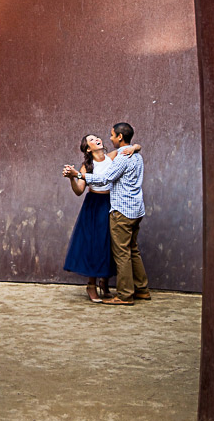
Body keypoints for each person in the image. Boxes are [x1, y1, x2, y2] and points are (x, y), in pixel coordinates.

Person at [63, 122, 150, 306]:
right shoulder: (87, 165)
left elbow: (106, 177)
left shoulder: (115, 155)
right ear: (88, 148)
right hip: (96, 205)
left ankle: (108, 284)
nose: (99, 139)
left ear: (119, 137)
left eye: (98, 137)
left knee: (114, 247)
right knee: (99, 245)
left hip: (114, 203)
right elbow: (79, 190)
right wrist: (74, 176)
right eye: (92, 140)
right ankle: (93, 285)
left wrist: (134, 146)